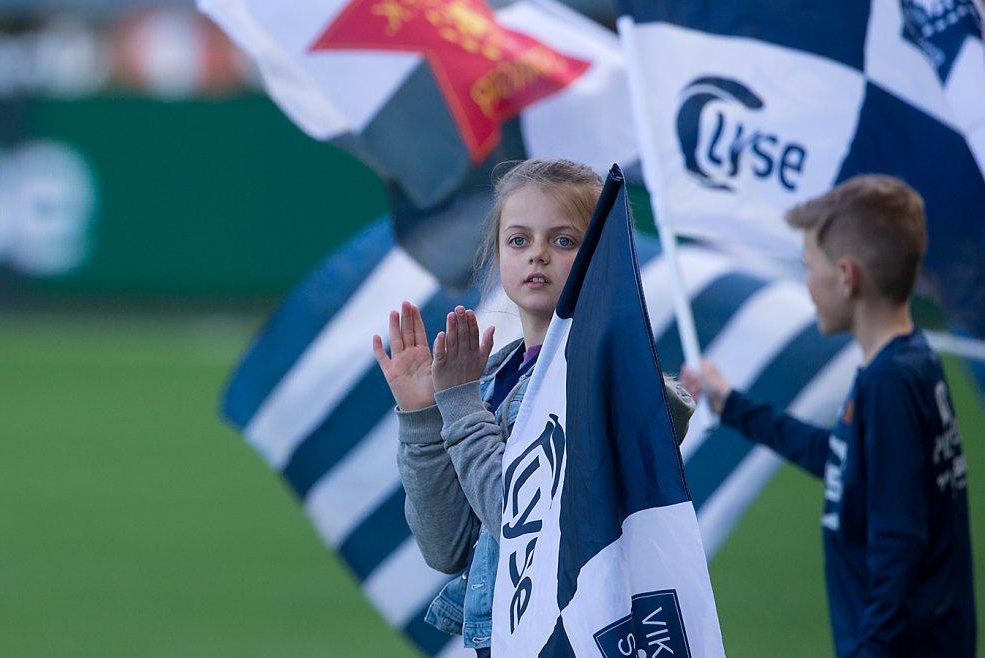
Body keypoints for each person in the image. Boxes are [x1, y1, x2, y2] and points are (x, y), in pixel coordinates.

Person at [372, 159, 696, 656]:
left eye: (563, 240)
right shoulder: (496, 374)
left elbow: (523, 529)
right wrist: (423, 418)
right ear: (497, 252)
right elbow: (445, 546)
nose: (537, 254)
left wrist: (459, 404)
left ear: (601, 258)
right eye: (518, 240)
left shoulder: (597, 384)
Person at [681, 175, 975, 657]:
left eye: (809, 267)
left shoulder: (889, 383)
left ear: (846, 276)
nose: (806, 283)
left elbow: (898, 544)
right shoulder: (908, 359)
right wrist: (731, 403)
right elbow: (843, 460)